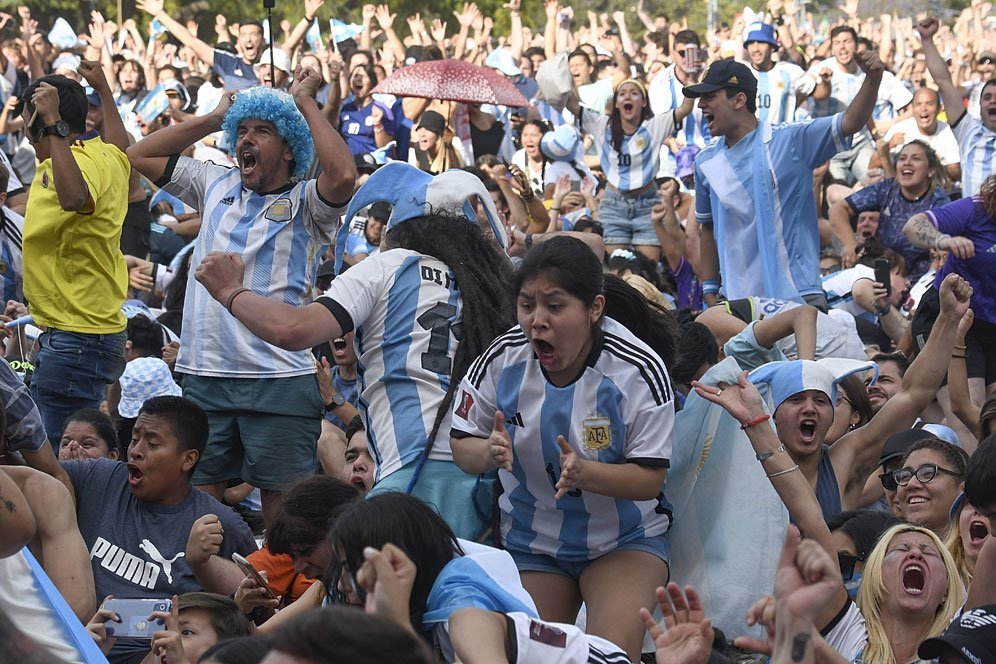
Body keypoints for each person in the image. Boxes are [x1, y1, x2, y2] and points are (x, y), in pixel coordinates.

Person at [193, 162, 514, 539]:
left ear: (396, 230)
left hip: (412, 470)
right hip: (485, 472)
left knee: (390, 594)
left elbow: (292, 329)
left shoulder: (385, 267)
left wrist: (230, 292)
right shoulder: (490, 284)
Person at [127, 66, 357, 522]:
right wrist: (215, 118)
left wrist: (304, 101)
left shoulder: (309, 203)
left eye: (263, 131)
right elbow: (139, 154)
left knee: (283, 520)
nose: (247, 140)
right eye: (243, 131)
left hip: (279, 383)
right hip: (204, 376)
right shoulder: (215, 181)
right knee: (196, 513)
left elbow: (345, 174)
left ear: (290, 148)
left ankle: (277, 596)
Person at [451, 236, 674, 660]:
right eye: (527, 305)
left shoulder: (637, 370)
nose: (537, 321)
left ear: (594, 309)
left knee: (609, 655)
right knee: (530, 653)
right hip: (531, 545)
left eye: (555, 307)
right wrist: (489, 452)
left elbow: (651, 479)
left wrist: (586, 473)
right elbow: (462, 445)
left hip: (623, 542)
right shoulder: (501, 360)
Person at [687, 55, 884, 307]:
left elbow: (850, 122)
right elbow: (706, 227)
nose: (701, 104)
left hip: (800, 295)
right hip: (739, 302)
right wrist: (710, 291)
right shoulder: (705, 161)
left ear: (739, 100)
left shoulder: (792, 140)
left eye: (710, 96)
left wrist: (873, 79)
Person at [19, 64, 131, 443]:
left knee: (61, 454)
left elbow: (73, 197)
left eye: (27, 126)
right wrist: (105, 89)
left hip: (74, 335)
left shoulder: (69, 166)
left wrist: (51, 121)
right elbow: (124, 148)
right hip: (91, 331)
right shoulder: (103, 154)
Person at [571, 78, 692, 261]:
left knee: (647, 270)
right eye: (622, 93)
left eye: (634, 93)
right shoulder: (602, 124)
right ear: (617, 103)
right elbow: (572, 104)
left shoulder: (655, 125)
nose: (627, 96)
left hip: (648, 204)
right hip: (614, 204)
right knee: (615, 271)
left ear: (643, 102)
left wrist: (689, 78)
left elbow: (685, 108)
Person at [904, 175, 996, 412]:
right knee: (968, 409)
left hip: (990, 325)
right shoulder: (976, 209)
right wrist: (943, 239)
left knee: (990, 413)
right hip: (949, 316)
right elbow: (913, 226)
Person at [806, 25, 913, 186]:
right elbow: (810, 98)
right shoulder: (818, 71)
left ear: (856, 45)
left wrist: (881, 132)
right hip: (829, 148)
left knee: (877, 183)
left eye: (846, 41)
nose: (842, 47)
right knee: (836, 190)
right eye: (837, 43)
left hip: (860, 145)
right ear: (831, 47)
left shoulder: (870, 70)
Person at [831, 141, 951, 283]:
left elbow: (943, 252)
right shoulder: (887, 189)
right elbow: (838, 209)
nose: (907, 162)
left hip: (921, 282)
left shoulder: (939, 202)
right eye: (902, 158)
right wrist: (850, 244)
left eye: (916, 158)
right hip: (883, 272)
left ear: (930, 170)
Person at [918, 17, 996, 197]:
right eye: (987, 97)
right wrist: (927, 41)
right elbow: (943, 81)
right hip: (973, 222)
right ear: (980, 104)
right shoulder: (968, 129)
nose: (993, 101)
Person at [136, 1, 262, 91]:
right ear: (238, 39)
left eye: (253, 35)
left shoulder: (273, 65)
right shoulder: (228, 62)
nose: (249, 40)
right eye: (244, 35)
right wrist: (160, 14)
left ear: (263, 39)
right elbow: (190, 41)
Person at [882, 88, 961, 183]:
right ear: (912, 109)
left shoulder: (949, 132)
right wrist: (890, 144)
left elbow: (955, 172)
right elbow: (872, 164)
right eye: (918, 104)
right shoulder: (899, 129)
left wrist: (931, 162)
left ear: (939, 108)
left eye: (929, 104)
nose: (923, 109)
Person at [892, 438, 968, 536]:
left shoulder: (985, 547)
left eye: (928, 473)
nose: (911, 484)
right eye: (905, 476)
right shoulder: (885, 549)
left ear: (962, 487)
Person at [742, 22, 815, 125]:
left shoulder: (791, 71)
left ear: (772, 47)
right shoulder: (739, 71)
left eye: (761, 42)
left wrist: (824, 81)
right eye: (751, 43)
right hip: (748, 140)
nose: (756, 48)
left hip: (783, 139)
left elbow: (818, 92)